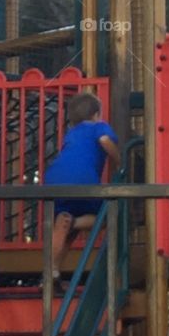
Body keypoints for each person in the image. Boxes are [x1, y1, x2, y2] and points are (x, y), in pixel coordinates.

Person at [43, 92, 120, 290]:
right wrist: (118, 162)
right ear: (96, 114)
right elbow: (104, 140)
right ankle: (73, 222)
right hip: (82, 180)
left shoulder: (72, 132)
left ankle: (51, 273)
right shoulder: (98, 126)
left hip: (54, 179)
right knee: (107, 217)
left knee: (63, 227)